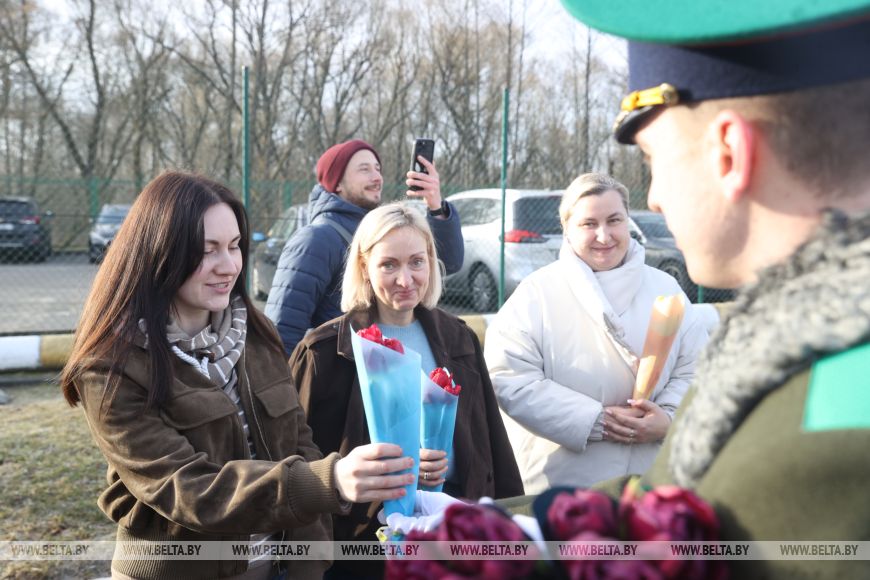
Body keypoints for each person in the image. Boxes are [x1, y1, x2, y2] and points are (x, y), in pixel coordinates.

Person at [513, 1, 870, 577]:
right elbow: (664, 492)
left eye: (653, 157)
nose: (652, 198)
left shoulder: (821, 454)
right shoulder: (782, 350)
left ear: (728, 153)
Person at [59, 171, 418, 580]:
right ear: (160, 252)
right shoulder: (112, 366)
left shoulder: (256, 333)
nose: (228, 265)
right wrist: (328, 480)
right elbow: (189, 489)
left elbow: (300, 444)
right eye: (207, 250)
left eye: (233, 246)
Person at [290, 202, 523, 578]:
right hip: (360, 551)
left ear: (431, 261)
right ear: (364, 267)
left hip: (451, 540)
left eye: (416, 261)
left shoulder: (459, 339)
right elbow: (298, 462)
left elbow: (490, 445)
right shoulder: (325, 352)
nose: (405, 279)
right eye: (389, 265)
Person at [484, 173, 707, 494]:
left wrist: (669, 418)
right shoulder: (536, 293)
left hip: (651, 478)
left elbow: (696, 366)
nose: (604, 235)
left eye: (614, 220)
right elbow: (509, 378)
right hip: (565, 483)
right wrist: (594, 421)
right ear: (567, 229)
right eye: (589, 224)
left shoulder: (666, 287)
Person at [265, 139, 464, 356]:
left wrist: (436, 206)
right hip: (339, 376)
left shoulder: (381, 231)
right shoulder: (316, 239)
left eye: (378, 169)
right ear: (337, 182)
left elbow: (447, 263)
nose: (377, 177)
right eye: (364, 169)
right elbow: (282, 329)